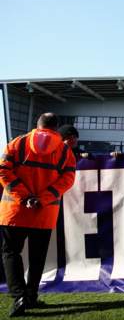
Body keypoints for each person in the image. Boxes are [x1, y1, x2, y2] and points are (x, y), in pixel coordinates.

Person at [0, 113, 76, 316]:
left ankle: (19, 297)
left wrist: (24, 197)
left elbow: (3, 171)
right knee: (37, 257)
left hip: (14, 212)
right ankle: (31, 297)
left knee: (10, 253)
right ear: (55, 127)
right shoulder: (64, 150)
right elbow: (68, 179)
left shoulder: (17, 143)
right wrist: (41, 198)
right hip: (44, 213)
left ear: (38, 124)